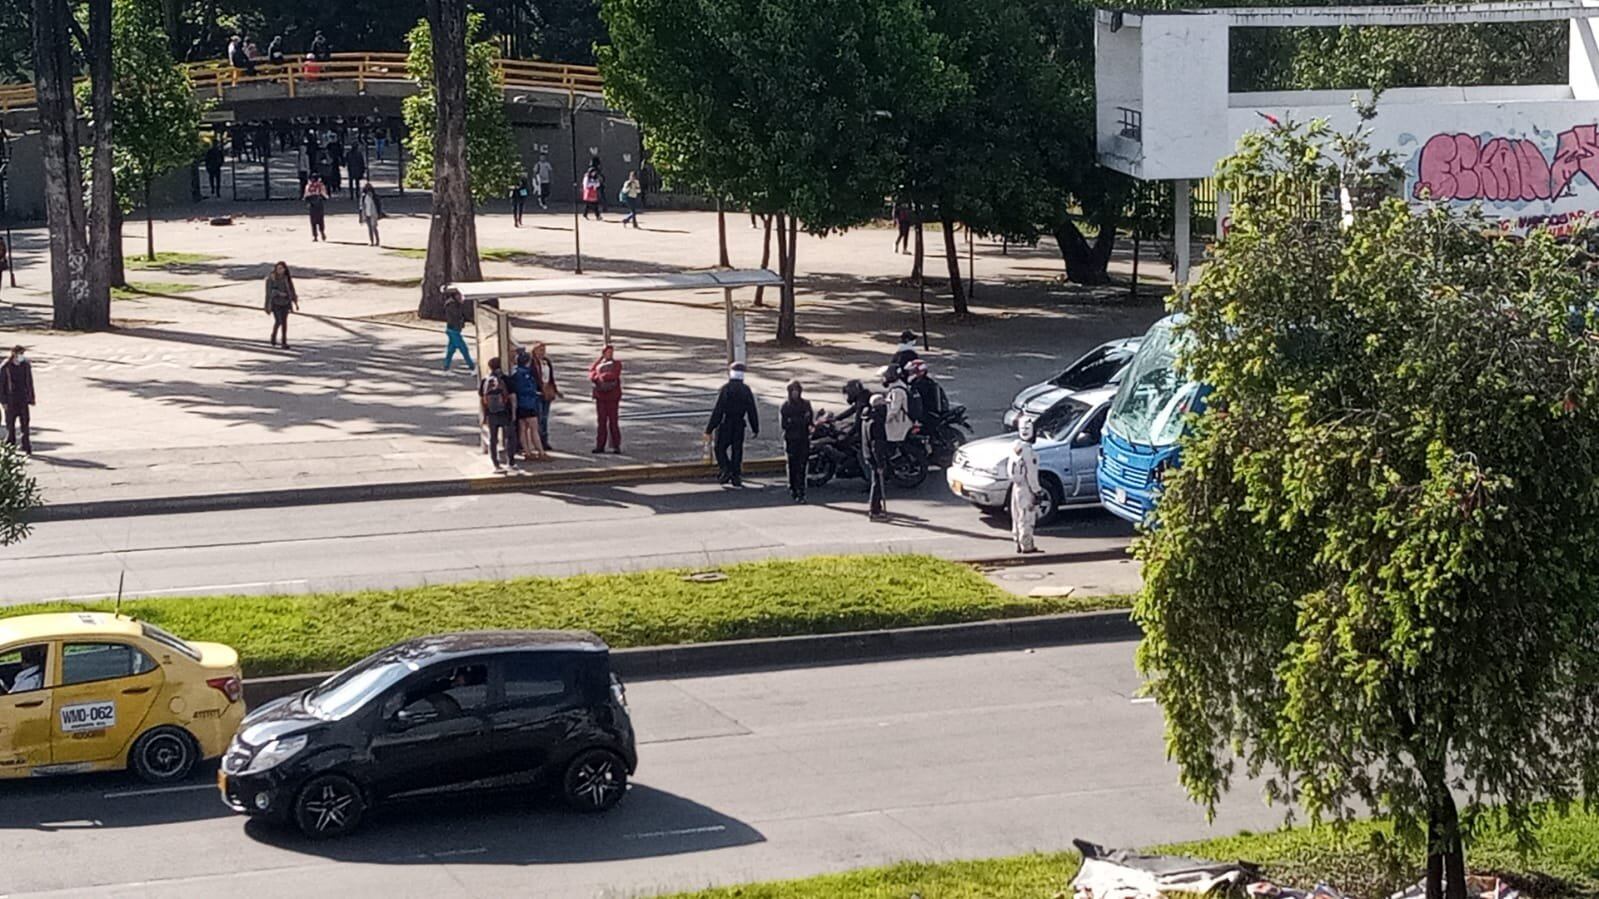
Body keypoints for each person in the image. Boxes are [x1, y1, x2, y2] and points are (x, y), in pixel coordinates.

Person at [706, 361, 759, 486]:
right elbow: (752, 410)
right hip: (739, 424)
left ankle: (725, 468)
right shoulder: (746, 390)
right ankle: (736, 475)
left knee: (719, 448)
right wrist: (755, 427)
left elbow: (718, 410)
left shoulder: (726, 389)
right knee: (737, 450)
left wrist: (710, 428)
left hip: (725, 423)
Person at [1008, 418, 1044, 553]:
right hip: (1026, 488)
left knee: (1016, 516)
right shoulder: (1029, 452)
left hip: (1015, 487)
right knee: (1026, 517)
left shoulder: (1014, 446)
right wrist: (1037, 491)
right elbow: (1031, 474)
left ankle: (1017, 542)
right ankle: (1027, 546)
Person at [480, 357, 519, 471]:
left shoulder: (485, 381)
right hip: (505, 412)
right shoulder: (506, 379)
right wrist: (513, 413)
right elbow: (512, 397)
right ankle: (510, 462)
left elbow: (483, 399)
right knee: (510, 437)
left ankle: (495, 464)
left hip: (491, 413)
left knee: (493, 438)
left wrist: (484, 416)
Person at [511, 348, 548, 461]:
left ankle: (527, 451)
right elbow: (527, 389)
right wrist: (536, 393)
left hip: (519, 404)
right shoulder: (525, 374)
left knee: (522, 428)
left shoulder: (515, 372)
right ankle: (540, 451)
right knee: (534, 428)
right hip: (528, 403)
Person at [780, 380, 813, 503]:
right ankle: (793, 487)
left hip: (803, 439)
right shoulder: (786, 406)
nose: (795, 393)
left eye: (797, 391)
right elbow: (784, 424)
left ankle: (801, 490)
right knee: (792, 465)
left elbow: (809, 420)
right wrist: (800, 421)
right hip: (791, 440)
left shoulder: (806, 404)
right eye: (793, 391)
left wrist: (796, 421)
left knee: (802, 465)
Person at [1, 346, 35, 456]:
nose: (21, 356)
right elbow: (1, 386)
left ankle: (26, 446)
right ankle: (11, 445)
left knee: (25, 423)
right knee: (10, 424)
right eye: (20, 353)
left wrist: (31, 397)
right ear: (14, 354)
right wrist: (3, 401)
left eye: (22, 353)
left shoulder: (25, 365)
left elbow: (29, 382)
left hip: (23, 399)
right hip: (11, 399)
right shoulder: (5, 367)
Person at [588, 345, 623, 453]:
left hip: (612, 397)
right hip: (601, 397)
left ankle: (616, 445)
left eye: (611, 352)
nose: (610, 354)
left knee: (613, 421)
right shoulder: (598, 364)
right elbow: (591, 374)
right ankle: (600, 445)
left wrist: (601, 376)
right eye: (607, 352)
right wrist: (598, 376)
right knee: (601, 422)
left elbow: (613, 375)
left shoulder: (616, 364)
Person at [863, 393, 890, 520]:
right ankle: (874, 511)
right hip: (874, 456)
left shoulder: (867, 418)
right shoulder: (876, 422)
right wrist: (880, 463)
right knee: (877, 483)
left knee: (877, 482)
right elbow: (876, 444)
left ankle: (877, 507)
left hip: (868, 454)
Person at [263, 261, 299, 348]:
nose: (280, 270)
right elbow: (268, 293)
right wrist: (267, 305)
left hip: (285, 303)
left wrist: (295, 301)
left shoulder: (286, 278)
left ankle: (284, 342)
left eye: (282, 268)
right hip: (275, 303)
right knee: (278, 321)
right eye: (278, 268)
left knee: (284, 323)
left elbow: (291, 290)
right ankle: (273, 336)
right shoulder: (271, 279)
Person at [532, 342, 559, 450]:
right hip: (538, 392)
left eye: (543, 350)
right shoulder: (532, 363)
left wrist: (555, 390)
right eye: (540, 350)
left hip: (547, 391)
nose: (542, 352)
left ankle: (544, 440)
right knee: (539, 417)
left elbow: (551, 377)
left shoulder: (546, 362)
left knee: (545, 417)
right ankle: (538, 441)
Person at [442, 291, 474, 372]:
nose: (460, 297)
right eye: (458, 295)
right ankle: (471, 365)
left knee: (451, 350)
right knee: (463, 348)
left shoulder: (455, 304)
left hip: (454, 329)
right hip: (453, 330)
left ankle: (446, 365)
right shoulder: (452, 305)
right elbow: (457, 316)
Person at [303, 172, 329, 241]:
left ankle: (315, 236)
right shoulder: (320, 185)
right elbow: (325, 195)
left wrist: (307, 202)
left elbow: (305, 195)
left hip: (312, 204)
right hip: (319, 204)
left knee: (313, 220)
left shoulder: (308, 186)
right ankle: (322, 232)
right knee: (320, 219)